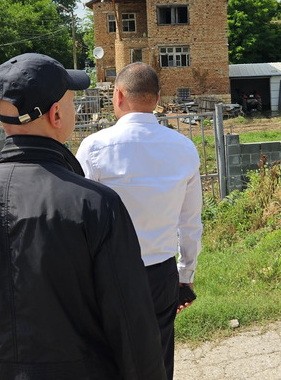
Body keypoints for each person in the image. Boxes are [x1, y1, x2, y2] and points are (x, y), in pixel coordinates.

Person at [0, 53, 166, 380]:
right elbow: (132, 327)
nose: (74, 107)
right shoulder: (96, 205)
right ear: (56, 114)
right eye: (71, 100)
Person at [76, 62, 202, 380]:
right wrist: (185, 276)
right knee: (158, 358)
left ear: (118, 95)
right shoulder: (184, 148)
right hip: (161, 272)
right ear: (157, 99)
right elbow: (190, 222)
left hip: (108, 273)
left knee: (109, 358)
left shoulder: (93, 148)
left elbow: (78, 219)